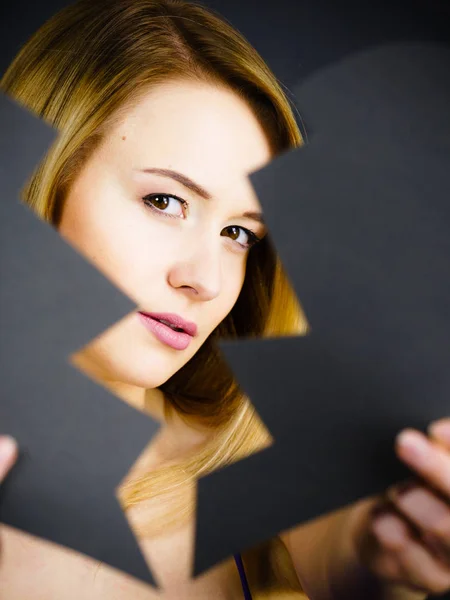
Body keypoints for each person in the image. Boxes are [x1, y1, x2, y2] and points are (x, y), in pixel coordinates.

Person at [1, 0, 450, 598]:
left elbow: (348, 550)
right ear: (39, 184)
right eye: (164, 202)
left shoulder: (247, 463)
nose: (205, 280)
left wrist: (387, 553)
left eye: (239, 233)